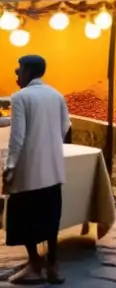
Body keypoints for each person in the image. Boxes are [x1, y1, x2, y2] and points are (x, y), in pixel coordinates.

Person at [4, 55, 70, 285]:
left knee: (23, 218)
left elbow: (17, 136)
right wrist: (49, 146)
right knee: (50, 218)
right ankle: (53, 266)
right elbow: (65, 127)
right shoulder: (56, 95)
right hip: (52, 169)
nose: (16, 74)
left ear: (29, 72)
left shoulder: (20, 97)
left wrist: (9, 166)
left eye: (18, 70)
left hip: (28, 170)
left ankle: (34, 264)